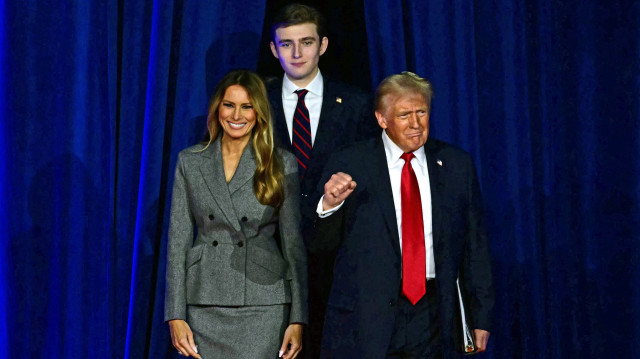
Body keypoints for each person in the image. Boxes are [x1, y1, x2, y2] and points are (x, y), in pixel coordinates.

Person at [311, 72, 495, 358]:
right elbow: (318, 245)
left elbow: (475, 247)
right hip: (367, 317)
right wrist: (329, 205)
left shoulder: (457, 165)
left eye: (421, 112)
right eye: (404, 114)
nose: (415, 124)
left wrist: (480, 315)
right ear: (382, 119)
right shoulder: (350, 162)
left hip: (433, 314)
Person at [164, 69, 308, 359]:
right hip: (204, 299)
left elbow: (293, 245)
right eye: (229, 105)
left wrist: (297, 318)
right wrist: (175, 314)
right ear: (217, 107)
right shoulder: (190, 161)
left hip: (263, 302)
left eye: (247, 106)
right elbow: (177, 242)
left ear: (259, 112)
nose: (236, 115)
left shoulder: (281, 163)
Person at [266, 4, 379, 356]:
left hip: (335, 262)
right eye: (286, 44)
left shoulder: (357, 104)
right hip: (269, 259)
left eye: (307, 42)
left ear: (323, 45)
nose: (297, 53)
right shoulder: (254, 101)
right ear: (274, 49)